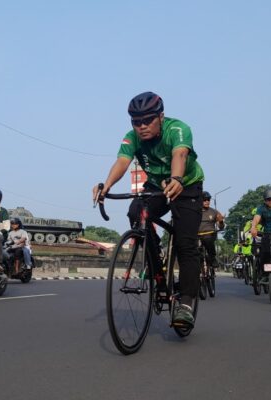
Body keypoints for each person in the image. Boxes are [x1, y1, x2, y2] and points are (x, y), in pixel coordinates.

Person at [93, 91, 205, 329]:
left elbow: (180, 153)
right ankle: (157, 266)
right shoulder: (132, 137)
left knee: (186, 243)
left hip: (186, 185)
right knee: (136, 213)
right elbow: (123, 162)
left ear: (161, 117)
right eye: (136, 122)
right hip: (156, 184)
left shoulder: (177, 129)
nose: (141, 126)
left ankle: (185, 303)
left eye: (147, 120)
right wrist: (107, 185)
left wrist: (176, 178)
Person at [198, 191, 225, 270]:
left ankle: (212, 258)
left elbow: (221, 227)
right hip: (197, 236)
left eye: (208, 200)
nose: (207, 201)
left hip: (210, 234)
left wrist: (221, 221)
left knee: (208, 240)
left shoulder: (214, 212)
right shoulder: (195, 211)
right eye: (204, 200)